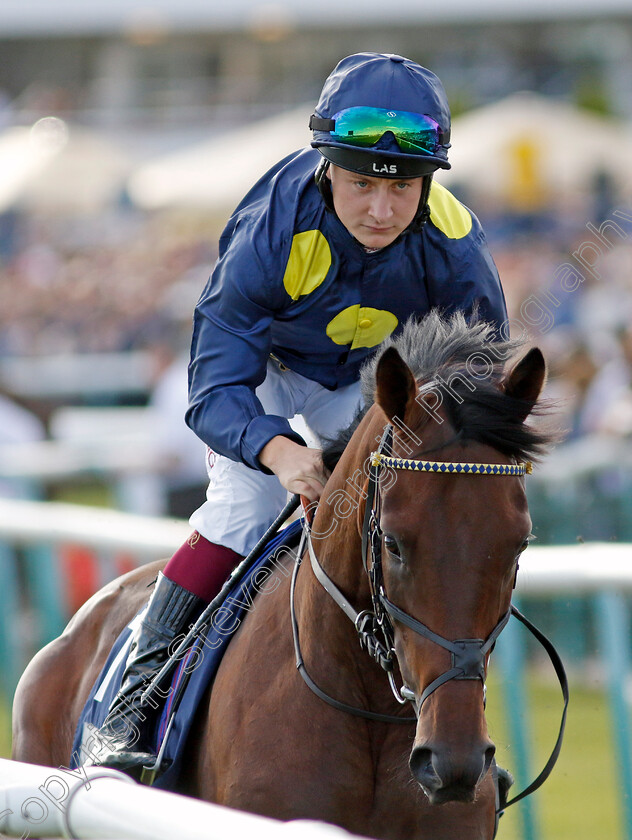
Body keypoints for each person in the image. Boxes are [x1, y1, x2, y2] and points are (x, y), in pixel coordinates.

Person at [95, 52, 508, 770]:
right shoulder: (272, 227)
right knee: (245, 502)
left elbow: (481, 394)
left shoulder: (457, 246)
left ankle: (456, 723)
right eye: (360, 185)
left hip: (367, 381)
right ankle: (132, 708)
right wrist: (278, 450)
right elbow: (213, 385)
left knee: (439, 516)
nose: (381, 210)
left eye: (403, 188)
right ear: (327, 168)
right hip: (266, 375)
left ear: (428, 181)